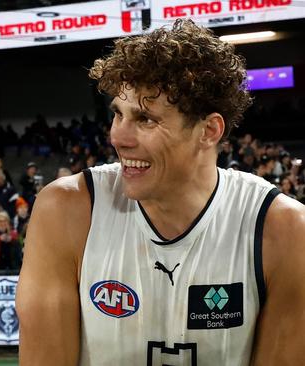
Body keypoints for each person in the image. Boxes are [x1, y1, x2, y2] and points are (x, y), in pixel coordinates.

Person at [16, 19, 305, 365]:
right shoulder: (66, 210)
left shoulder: (285, 230)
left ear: (209, 131)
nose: (118, 138)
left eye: (145, 119)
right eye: (118, 115)